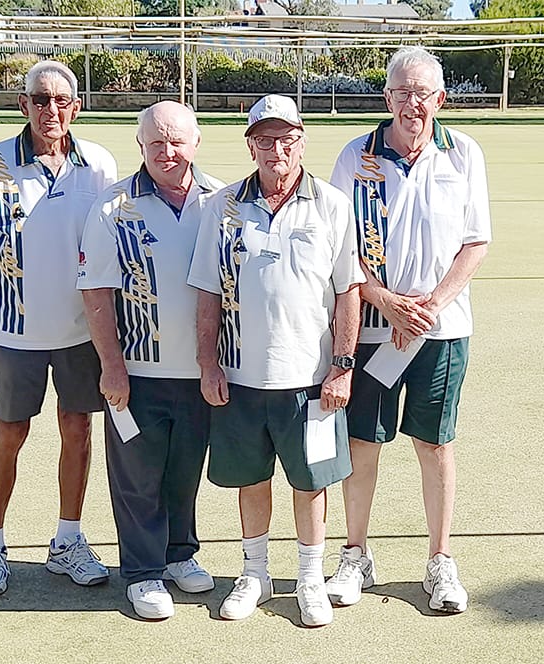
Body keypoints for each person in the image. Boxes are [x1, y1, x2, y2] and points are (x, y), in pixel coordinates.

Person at [325, 46, 491, 614]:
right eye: (401, 92)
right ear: (387, 97)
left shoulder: (464, 153)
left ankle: (440, 561)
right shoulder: (356, 155)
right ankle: (355, 555)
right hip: (371, 330)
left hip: (441, 332)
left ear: (440, 99)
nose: (412, 104)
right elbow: (340, 247)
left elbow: (475, 241)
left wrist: (432, 305)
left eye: (422, 94)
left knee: (434, 443)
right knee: (363, 443)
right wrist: (387, 303)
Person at [188, 94, 363, 628]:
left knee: (311, 482)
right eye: (264, 139)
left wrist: (342, 365)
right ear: (250, 145)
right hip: (240, 376)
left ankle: (310, 578)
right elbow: (207, 291)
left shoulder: (332, 203)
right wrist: (208, 363)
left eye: (286, 138)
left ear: (301, 141)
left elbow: (349, 291)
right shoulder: (222, 206)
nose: (276, 149)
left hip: (311, 380)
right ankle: (255, 571)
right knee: (251, 477)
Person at [0, 60, 117, 596]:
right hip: (13, 333)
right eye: (40, 99)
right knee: (10, 433)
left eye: (61, 101)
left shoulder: (98, 166)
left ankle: (67, 541)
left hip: (80, 334)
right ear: (23, 104)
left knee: (77, 430)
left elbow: (109, 252)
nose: (51, 110)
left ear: (76, 106)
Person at [78, 101, 223, 620]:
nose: (167, 151)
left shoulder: (221, 200)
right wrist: (111, 365)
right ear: (140, 146)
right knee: (138, 476)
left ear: (196, 142)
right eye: (156, 142)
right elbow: (95, 290)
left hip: (204, 372)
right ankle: (142, 573)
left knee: (185, 471)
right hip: (138, 372)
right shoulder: (114, 205)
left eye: (177, 140)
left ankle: (179, 555)